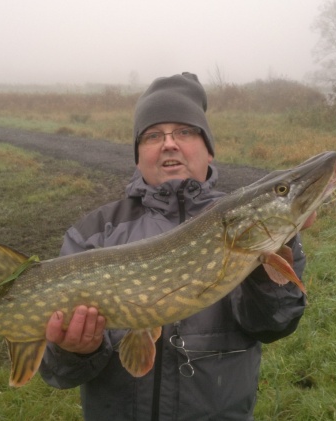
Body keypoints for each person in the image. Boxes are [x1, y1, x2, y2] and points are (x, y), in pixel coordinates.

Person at [38, 72, 308, 420]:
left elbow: (275, 324)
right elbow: (61, 373)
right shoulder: (94, 235)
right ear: (138, 157)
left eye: (185, 131)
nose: (169, 143)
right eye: (153, 135)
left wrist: (268, 257)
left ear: (209, 150)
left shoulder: (250, 222)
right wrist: (74, 352)